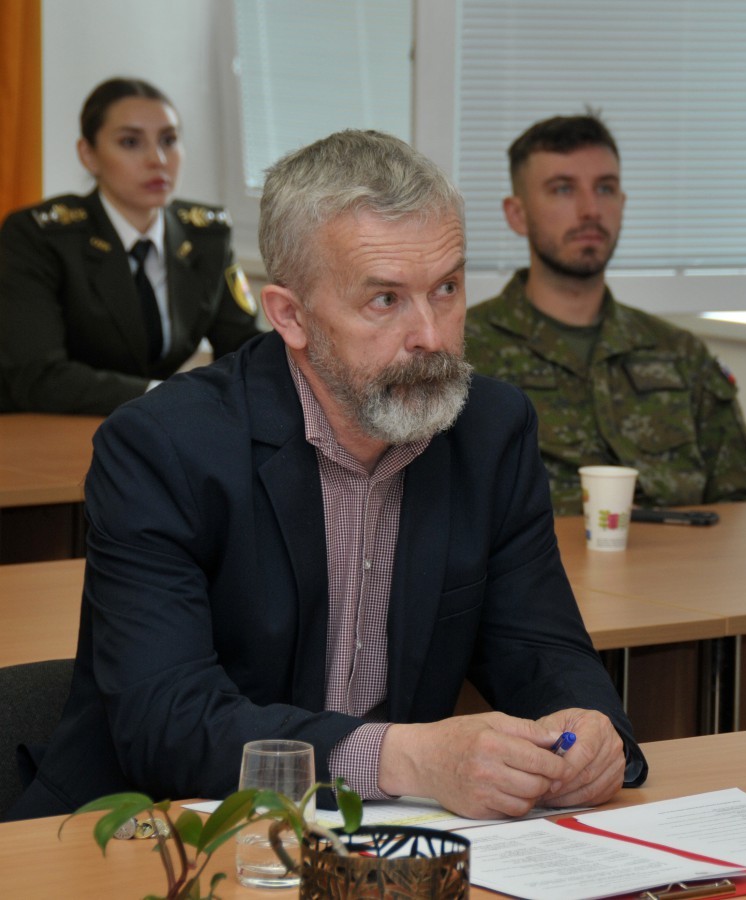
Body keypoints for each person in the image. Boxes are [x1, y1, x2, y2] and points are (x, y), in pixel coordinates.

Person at [4, 129, 644, 822]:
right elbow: (168, 722)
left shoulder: (489, 429)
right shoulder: (163, 446)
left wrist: (589, 730)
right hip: (152, 831)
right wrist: (407, 758)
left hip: (382, 834)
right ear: (291, 315)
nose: (431, 336)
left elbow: (541, 648)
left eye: (447, 288)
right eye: (385, 300)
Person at [464, 114, 746, 516]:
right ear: (517, 215)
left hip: (682, 556)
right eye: (563, 189)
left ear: (622, 204)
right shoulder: (465, 353)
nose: (591, 210)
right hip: (543, 557)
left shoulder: (679, 353)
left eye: (605, 188)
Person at [0, 77, 260, 414]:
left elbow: (241, 347)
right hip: (44, 424)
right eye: (130, 142)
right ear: (89, 155)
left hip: (151, 426)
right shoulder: (38, 236)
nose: (158, 159)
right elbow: (38, 375)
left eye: (169, 140)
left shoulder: (206, 235)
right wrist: (166, 396)